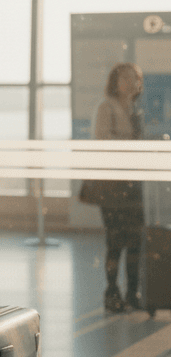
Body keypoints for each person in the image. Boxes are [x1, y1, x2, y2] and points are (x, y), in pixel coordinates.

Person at [92, 62, 145, 313]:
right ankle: (112, 292)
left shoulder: (134, 109)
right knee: (115, 241)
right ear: (116, 82)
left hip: (132, 184)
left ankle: (133, 292)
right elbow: (102, 141)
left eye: (136, 78)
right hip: (113, 185)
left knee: (135, 241)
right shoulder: (107, 107)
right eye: (126, 78)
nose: (132, 82)